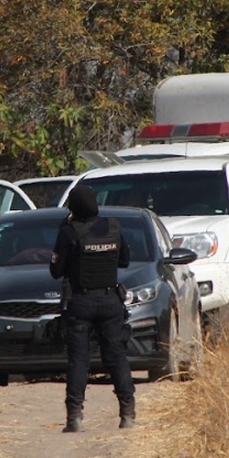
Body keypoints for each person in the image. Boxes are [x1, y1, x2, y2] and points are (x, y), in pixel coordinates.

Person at [49, 185, 135, 432]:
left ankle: (74, 418)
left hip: (81, 302)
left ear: (74, 208)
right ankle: (127, 413)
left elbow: (55, 271)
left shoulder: (68, 232)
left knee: (78, 360)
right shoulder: (113, 228)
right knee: (116, 356)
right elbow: (125, 261)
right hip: (110, 302)